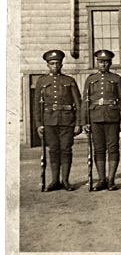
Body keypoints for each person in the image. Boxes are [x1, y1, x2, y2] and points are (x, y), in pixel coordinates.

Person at [81, 49, 121, 191]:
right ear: (97, 63)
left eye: (106, 62)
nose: (103, 64)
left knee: (113, 148)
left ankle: (111, 180)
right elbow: (85, 101)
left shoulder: (116, 79)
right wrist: (84, 121)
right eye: (101, 62)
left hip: (112, 117)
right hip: (95, 117)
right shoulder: (90, 79)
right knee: (99, 149)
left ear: (110, 63)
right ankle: (101, 180)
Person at [34, 50, 82, 192]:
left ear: (62, 64)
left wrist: (78, 123)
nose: (55, 66)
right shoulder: (42, 82)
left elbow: (78, 104)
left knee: (66, 150)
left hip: (67, 121)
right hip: (49, 121)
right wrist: (38, 124)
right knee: (54, 150)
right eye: (52, 64)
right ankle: (55, 181)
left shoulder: (69, 81)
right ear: (48, 65)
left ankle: (66, 181)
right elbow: (37, 105)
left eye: (57, 63)